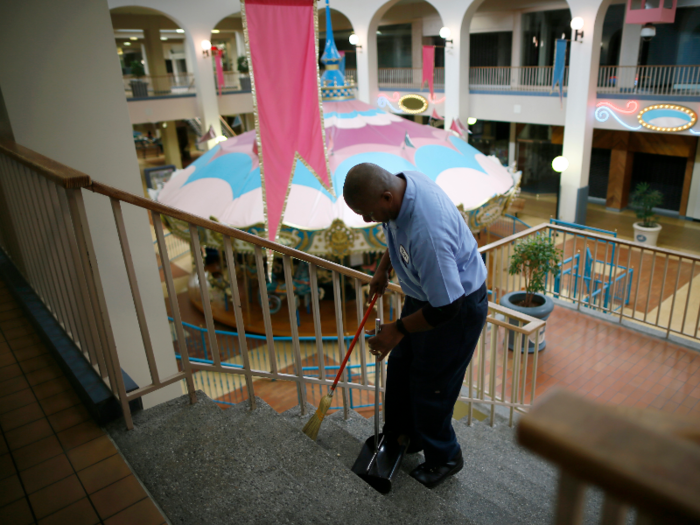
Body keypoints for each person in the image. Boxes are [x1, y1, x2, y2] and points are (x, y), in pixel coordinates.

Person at [343, 162, 488, 489]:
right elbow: (395, 231)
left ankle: (446, 456)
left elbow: (447, 307)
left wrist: (396, 330)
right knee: (402, 366)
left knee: (431, 385)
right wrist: (383, 268)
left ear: (385, 196)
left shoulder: (428, 231)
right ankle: (404, 433)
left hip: (456, 308)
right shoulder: (402, 187)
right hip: (426, 297)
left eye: (368, 213)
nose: (368, 220)